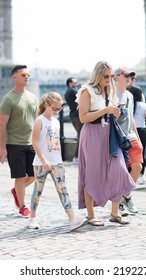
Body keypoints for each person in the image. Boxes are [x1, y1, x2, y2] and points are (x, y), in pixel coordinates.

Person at [76, 61, 135, 226]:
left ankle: (115, 213)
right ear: (98, 75)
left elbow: (110, 112)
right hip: (92, 134)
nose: (109, 79)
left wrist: (115, 112)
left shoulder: (110, 90)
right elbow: (83, 117)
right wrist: (106, 110)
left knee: (119, 171)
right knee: (92, 174)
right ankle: (91, 215)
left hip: (109, 134)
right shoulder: (86, 91)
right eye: (106, 76)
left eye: (110, 76)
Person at [28, 91, 86, 231]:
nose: (57, 111)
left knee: (63, 190)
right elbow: (35, 142)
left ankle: (72, 219)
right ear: (47, 105)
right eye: (55, 108)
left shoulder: (57, 122)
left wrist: (59, 161)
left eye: (59, 109)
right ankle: (32, 217)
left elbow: (57, 143)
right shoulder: (39, 120)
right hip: (41, 163)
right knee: (38, 190)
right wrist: (43, 160)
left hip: (56, 162)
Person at [0, 65, 38, 217]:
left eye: (28, 74)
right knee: (20, 176)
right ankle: (22, 206)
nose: (27, 76)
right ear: (15, 78)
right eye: (23, 74)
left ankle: (17, 190)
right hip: (14, 143)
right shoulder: (8, 99)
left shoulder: (33, 97)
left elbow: (36, 121)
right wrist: (2, 148)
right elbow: (2, 124)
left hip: (31, 143)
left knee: (35, 175)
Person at [114, 67, 143, 216]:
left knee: (137, 167)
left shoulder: (130, 96)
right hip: (117, 139)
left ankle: (126, 195)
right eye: (126, 75)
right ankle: (119, 202)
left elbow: (131, 119)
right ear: (116, 77)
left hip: (131, 136)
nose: (129, 78)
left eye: (130, 76)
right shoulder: (112, 95)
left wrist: (137, 138)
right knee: (121, 172)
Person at [130, 86, 146, 185]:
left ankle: (130, 176)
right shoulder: (143, 105)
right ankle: (140, 177)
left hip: (131, 132)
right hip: (141, 131)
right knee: (141, 155)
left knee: (130, 155)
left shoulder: (129, 105)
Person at [64, 77, 83, 165]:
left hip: (72, 116)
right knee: (81, 136)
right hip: (78, 116)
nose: (77, 84)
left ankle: (78, 157)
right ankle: (76, 157)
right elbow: (82, 98)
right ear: (70, 83)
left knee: (80, 135)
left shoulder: (67, 92)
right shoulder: (73, 91)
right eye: (75, 82)